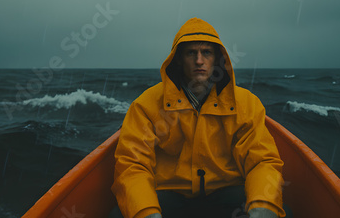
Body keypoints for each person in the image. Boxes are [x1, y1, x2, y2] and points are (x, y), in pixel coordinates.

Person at [110, 18, 287, 218]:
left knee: (277, 211)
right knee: (120, 215)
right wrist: (147, 212)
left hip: (226, 192)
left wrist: (262, 206)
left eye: (207, 53)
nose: (199, 60)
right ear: (178, 59)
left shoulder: (246, 103)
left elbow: (261, 161)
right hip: (170, 193)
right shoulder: (146, 104)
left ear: (218, 58)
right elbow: (133, 164)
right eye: (191, 53)